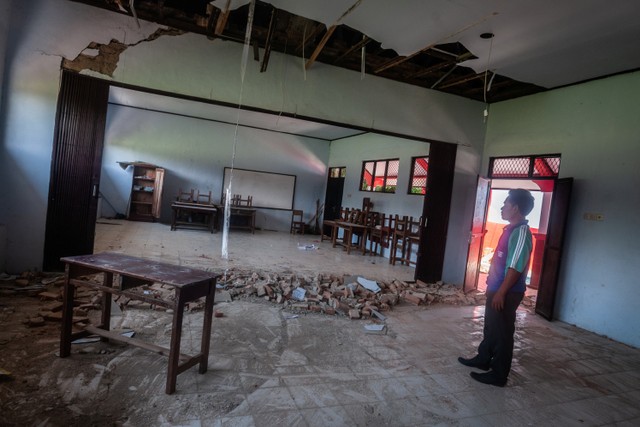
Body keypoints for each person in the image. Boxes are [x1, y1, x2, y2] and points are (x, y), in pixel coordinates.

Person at [459, 188, 535, 387]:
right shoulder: (510, 229)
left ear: (515, 208)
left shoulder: (521, 233)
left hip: (507, 292)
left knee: (502, 332)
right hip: (497, 288)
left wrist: (501, 292)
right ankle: (483, 358)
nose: (502, 208)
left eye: (506, 204)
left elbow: (516, 266)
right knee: (491, 326)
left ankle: (499, 374)